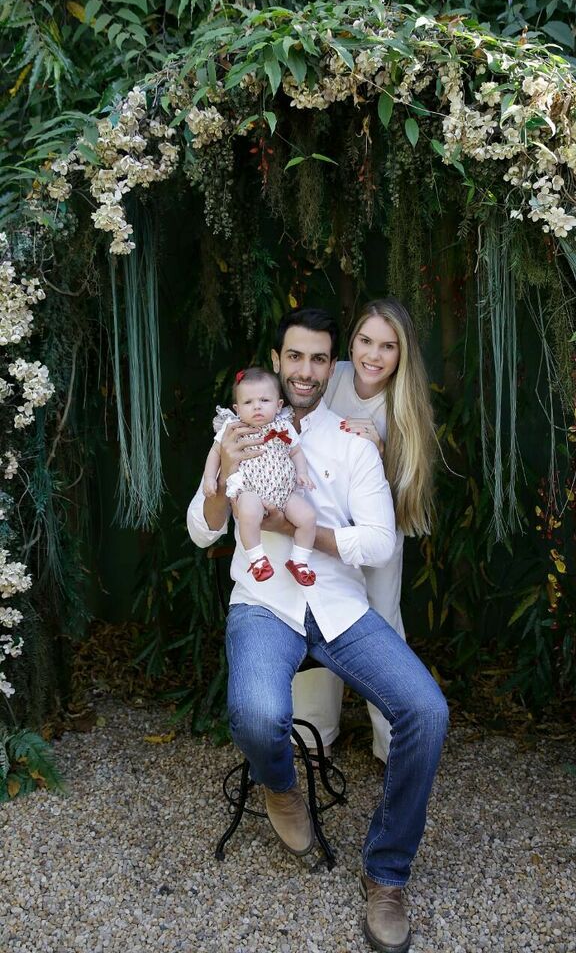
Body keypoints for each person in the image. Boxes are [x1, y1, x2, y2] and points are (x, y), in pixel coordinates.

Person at [187, 308, 448, 953]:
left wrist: (298, 530)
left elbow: (379, 542)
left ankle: (387, 874)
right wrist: (220, 474)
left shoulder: (351, 442)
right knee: (257, 714)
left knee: (426, 711)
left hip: (338, 606)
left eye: (318, 360)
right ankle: (281, 789)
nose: (306, 371)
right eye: (295, 357)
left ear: (331, 366)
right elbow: (202, 530)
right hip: (263, 604)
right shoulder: (237, 430)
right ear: (278, 361)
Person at [292, 298, 436, 761]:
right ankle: (313, 734)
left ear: (402, 352)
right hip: (322, 529)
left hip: (376, 535)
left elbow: (407, 488)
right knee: (316, 614)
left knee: (381, 625)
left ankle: (395, 748)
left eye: (387, 346)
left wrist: (382, 449)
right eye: (365, 341)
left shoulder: (404, 402)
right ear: (350, 343)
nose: (373, 356)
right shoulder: (330, 377)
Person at [202, 367, 317, 586]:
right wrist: (209, 478)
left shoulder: (284, 426)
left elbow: (296, 452)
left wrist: (302, 473)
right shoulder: (233, 429)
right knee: (248, 513)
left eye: (264, 400)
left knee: (308, 517)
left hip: (284, 492)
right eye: (248, 402)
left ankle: (299, 561)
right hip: (250, 489)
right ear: (237, 409)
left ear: (278, 405)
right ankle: (257, 559)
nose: (257, 406)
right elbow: (215, 452)